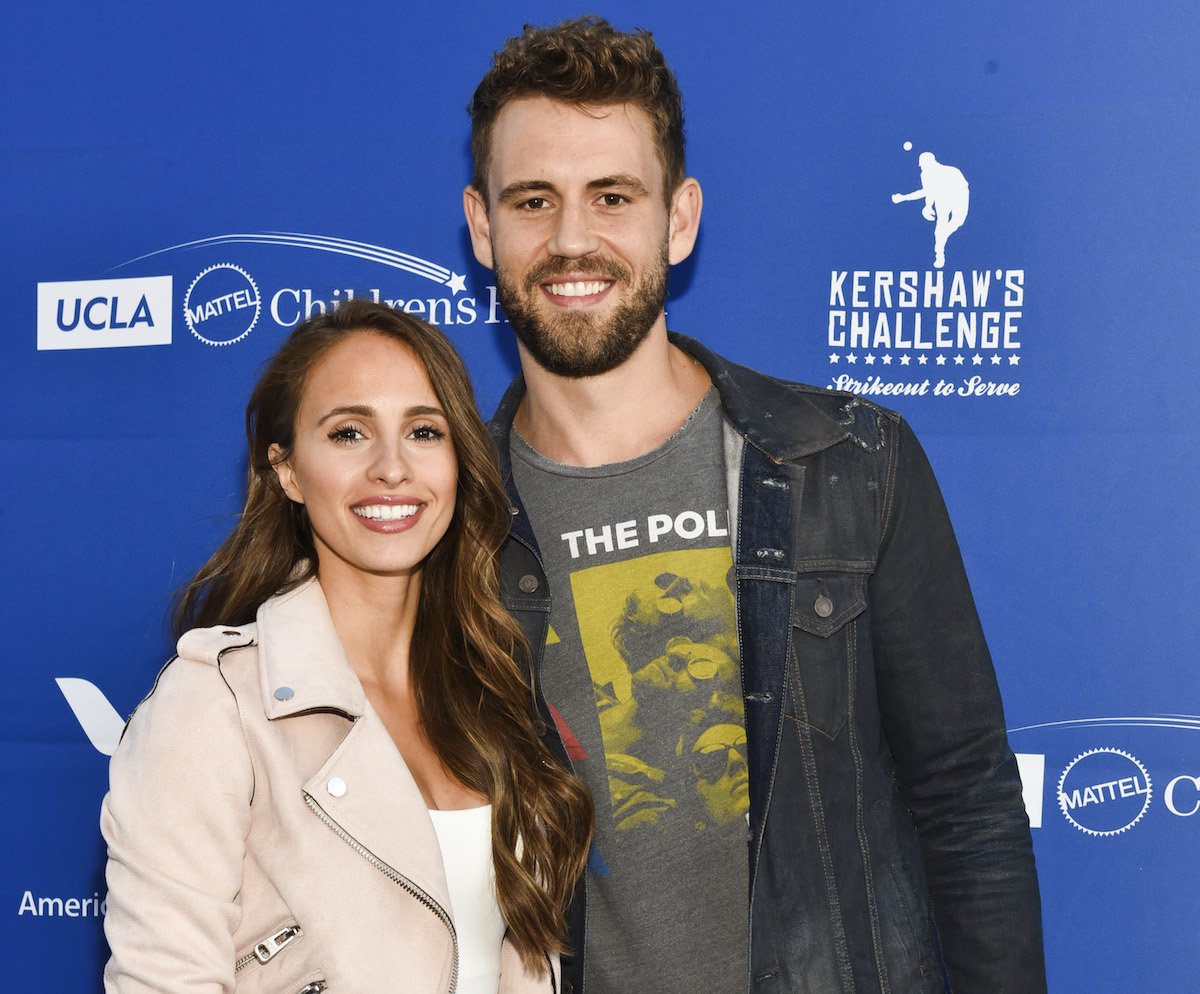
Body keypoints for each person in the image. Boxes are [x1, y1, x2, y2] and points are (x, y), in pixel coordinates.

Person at [462, 16, 1045, 994]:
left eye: (613, 196)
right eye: (534, 200)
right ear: (483, 227)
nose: (571, 240)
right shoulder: (450, 523)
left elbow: (968, 800)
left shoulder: (849, 463)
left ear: (678, 218)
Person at [100, 300, 593, 993]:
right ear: (288, 471)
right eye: (348, 434)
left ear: (458, 463)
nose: (392, 468)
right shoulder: (214, 708)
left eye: (424, 431)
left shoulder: (494, 690)